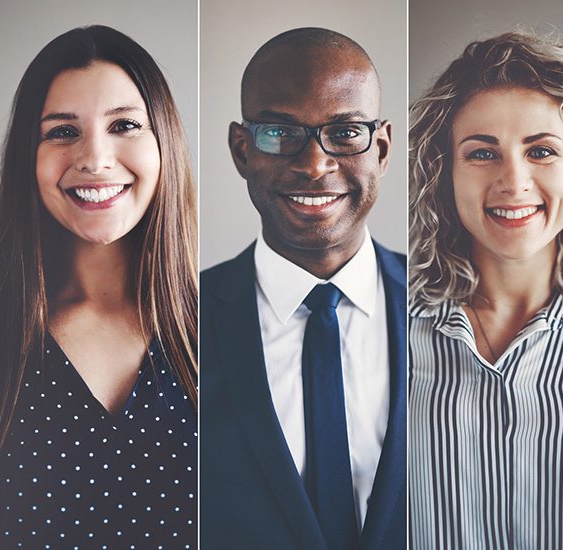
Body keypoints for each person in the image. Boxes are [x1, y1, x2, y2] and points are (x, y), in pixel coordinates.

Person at [407, 31, 563, 549]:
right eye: (482, 154)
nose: (514, 181)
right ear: (444, 173)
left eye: (541, 150)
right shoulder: (386, 331)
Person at [0, 25, 198, 549]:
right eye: (62, 131)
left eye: (124, 124)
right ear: (27, 157)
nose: (95, 158)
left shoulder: (234, 327)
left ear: (164, 143)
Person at [200, 27, 405, 549]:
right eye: (278, 132)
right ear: (241, 150)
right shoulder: (172, 318)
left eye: (344, 133)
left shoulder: (453, 306)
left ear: (381, 148)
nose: (315, 165)